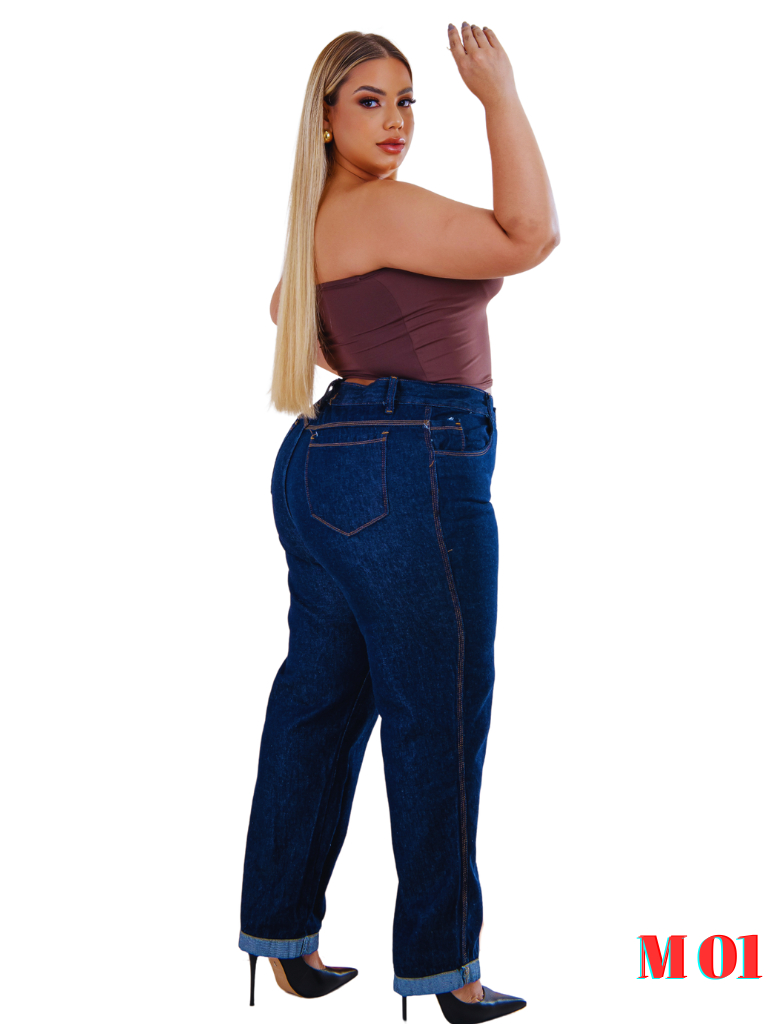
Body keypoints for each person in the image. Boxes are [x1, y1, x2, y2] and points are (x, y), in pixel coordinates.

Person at [239, 24, 559, 1023]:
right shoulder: (383, 209)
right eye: (370, 101)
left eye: (408, 100)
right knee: (438, 710)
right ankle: (443, 967)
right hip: (414, 462)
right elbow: (529, 235)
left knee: (319, 704)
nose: (396, 121)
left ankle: (281, 937)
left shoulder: (322, 219)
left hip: (324, 461)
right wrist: (499, 95)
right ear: (326, 119)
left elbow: (287, 309)